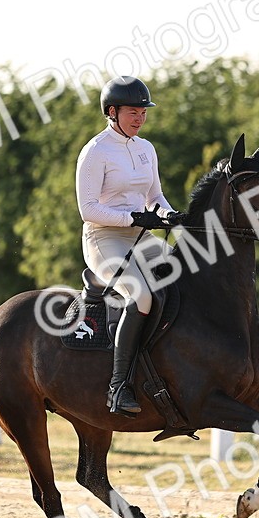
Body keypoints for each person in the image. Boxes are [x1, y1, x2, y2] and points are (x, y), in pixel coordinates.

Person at [76, 76, 184, 415]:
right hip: (104, 238)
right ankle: (118, 387)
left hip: (142, 236)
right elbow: (88, 209)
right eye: (132, 112)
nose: (139, 118)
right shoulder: (96, 151)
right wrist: (134, 219)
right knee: (141, 295)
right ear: (112, 112)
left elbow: (155, 196)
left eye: (143, 112)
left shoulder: (146, 148)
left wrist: (168, 214)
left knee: (184, 278)